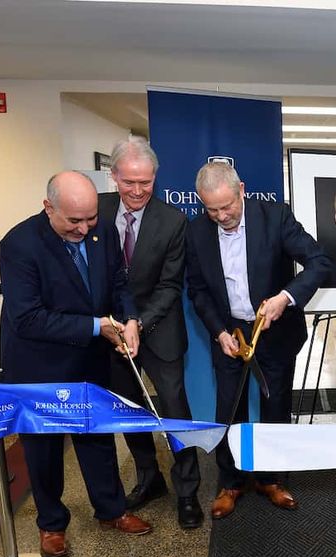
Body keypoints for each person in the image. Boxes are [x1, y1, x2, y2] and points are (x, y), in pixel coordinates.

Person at [0, 171, 152, 557]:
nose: (84, 229)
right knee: (44, 449)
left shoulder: (104, 233)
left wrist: (129, 319)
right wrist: (95, 326)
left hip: (89, 358)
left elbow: (119, 284)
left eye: (90, 219)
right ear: (48, 207)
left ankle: (111, 510)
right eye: (74, 221)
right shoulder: (18, 244)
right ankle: (51, 525)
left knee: (97, 436)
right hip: (38, 364)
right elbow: (27, 317)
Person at [185, 162, 331, 519]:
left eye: (227, 206)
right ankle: (231, 482)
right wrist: (219, 331)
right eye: (212, 209)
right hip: (230, 330)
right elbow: (199, 290)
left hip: (275, 330)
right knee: (228, 410)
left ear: (242, 190)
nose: (221, 216)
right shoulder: (196, 231)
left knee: (275, 407)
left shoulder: (275, 217)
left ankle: (271, 479)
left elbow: (319, 262)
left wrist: (286, 297)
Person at [101, 137, 203, 530]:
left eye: (146, 182)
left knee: (175, 409)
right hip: (111, 335)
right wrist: (111, 325)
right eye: (130, 182)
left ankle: (189, 490)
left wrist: (138, 323)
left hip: (158, 331)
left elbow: (170, 285)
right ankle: (149, 479)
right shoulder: (97, 210)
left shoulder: (173, 221)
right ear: (114, 177)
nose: (139, 191)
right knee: (129, 413)